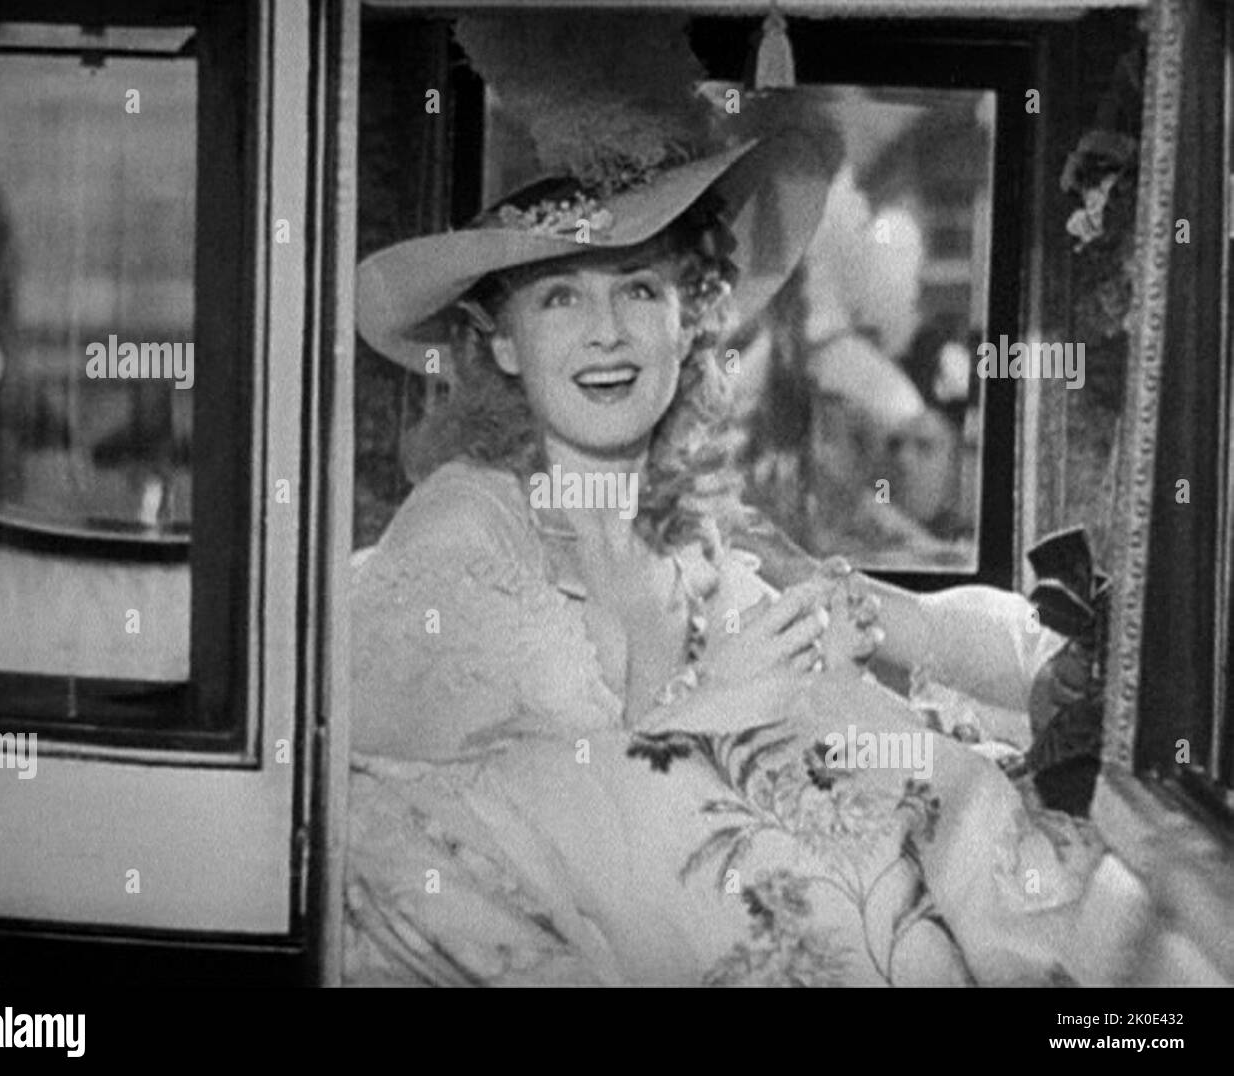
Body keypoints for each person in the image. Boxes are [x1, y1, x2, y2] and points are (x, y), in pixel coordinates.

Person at [343, 94, 1156, 986]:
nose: (607, 332)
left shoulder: (691, 534)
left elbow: (840, 721)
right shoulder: (463, 528)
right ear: (500, 344)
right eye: (561, 298)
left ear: (687, 320)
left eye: (640, 289)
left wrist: (837, 660)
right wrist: (714, 697)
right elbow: (504, 832)